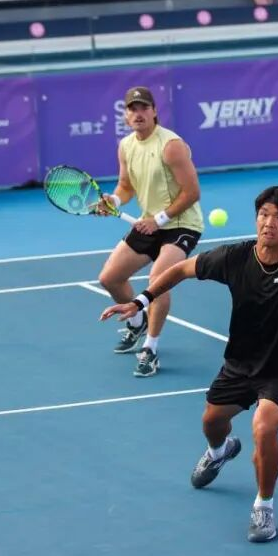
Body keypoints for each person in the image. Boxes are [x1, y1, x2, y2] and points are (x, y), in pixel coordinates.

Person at [100, 186, 278, 543]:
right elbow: (180, 269)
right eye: (264, 214)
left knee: (264, 427)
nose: (269, 222)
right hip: (239, 365)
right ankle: (220, 451)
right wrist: (140, 302)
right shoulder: (235, 257)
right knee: (211, 422)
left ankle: (264, 506)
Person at [95, 87, 204, 378]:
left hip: (180, 224)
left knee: (158, 282)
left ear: (154, 111)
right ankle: (137, 322)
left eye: (144, 108)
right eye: (132, 109)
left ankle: (150, 348)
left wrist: (159, 220)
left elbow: (192, 192)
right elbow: (125, 185)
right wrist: (114, 200)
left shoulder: (171, 145)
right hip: (148, 223)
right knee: (109, 278)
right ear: (125, 115)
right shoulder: (126, 146)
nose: (138, 113)